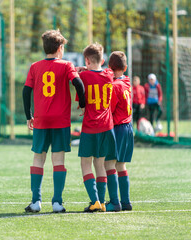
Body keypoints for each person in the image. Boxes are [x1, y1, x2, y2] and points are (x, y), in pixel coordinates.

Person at [22, 30, 85, 213]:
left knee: (38, 158)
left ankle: (36, 201)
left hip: (41, 120)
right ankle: (57, 202)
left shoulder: (35, 66)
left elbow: (26, 92)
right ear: (60, 48)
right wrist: (82, 103)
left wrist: (29, 115)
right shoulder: (67, 65)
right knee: (58, 160)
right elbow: (78, 84)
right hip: (61, 121)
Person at [76, 43, 117, 212]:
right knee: (100, 165)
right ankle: (101, 201)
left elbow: (81, 93)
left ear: (87, 60)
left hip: (90, 126)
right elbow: (103, 69)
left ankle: (94, 201)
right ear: (103, 59)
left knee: (86, 163)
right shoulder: (109, 74)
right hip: (107, 126)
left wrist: (81, 69)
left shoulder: (84, 78)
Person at [105, 51, 134, 212]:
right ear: (126, 67)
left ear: (110, 67)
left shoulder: (114, 87)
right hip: (128, 127)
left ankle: (114, 202)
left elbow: (110, 108)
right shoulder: (127, 82)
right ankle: (126, 202)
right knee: (121, 165)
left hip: (117, 127)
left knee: (108, 164)